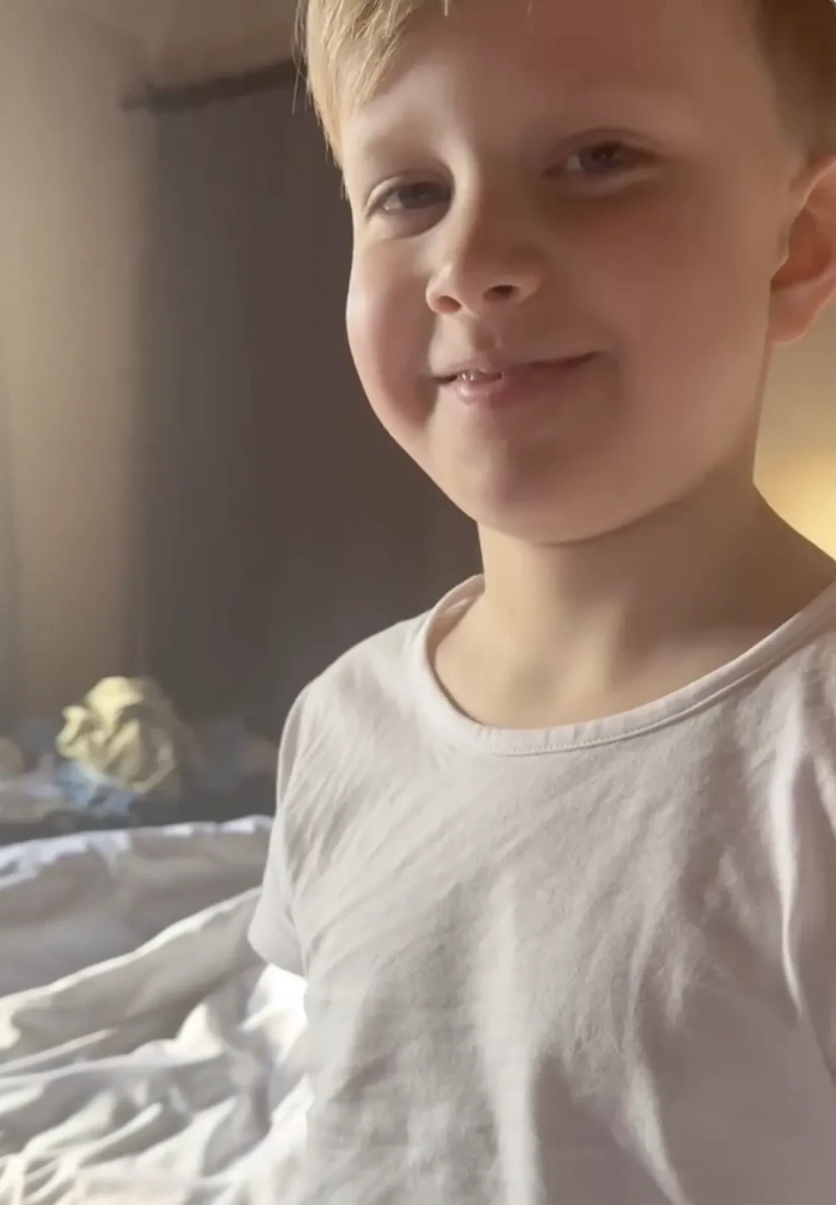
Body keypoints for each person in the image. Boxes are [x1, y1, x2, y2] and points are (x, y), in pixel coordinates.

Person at [250, 0, 836, 1200]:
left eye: (597, 159)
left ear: (796, 245)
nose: (468, 263)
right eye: (410, 192)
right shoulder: (339, 722)